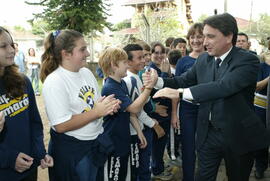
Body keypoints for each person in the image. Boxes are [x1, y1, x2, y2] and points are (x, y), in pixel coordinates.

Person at [143, 13, 270, 181]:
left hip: (238, 136)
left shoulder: (247, 60)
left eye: (210, 36)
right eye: (204, 36)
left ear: (228, 36)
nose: (204, 42)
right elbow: (184, 80)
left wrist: (180, 93)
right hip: (207, 134)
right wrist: (158, 81)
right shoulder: (204, 59)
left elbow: (224, 87)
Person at [41, 29, 120, 181]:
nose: (88, 53)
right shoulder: (55, 81)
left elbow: (95, 104)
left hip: (94, 144)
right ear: (66, 54)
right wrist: (97, 112)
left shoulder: (86, 73)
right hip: (73, 151)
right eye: (82, 49)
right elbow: (61, 125)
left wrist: (108, 106)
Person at [0, 26, 53, 181]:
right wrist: (8, 158)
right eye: (3, 46)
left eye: (11, 44)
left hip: (28, 168)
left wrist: (39, 152)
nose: (11, 50)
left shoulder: (23, 81)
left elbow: (34, 121)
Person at [99, 47, 155, 181]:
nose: (127, 65)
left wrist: (139, 132)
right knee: (116, 175)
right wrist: (148, 88)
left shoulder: (122, 83)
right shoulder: (110, 87)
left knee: (129, 173)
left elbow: (129, 112)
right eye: (124, 62)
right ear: (114, 64)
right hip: (114, 140)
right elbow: (134, 108)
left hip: (124, 138)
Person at [122, 44, 165, 181]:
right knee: (139, 170)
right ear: (128, 62)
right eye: (139, 57)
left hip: (141, 128)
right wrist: (153, 124)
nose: (144, 60)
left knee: (144, 166)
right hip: (135, 132)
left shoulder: (137, 76)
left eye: (145, 56)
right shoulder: (130, 80)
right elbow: (135, 110)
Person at [174, 22, 205, 181]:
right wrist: (174, 114)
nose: (196, 40)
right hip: (187, 109)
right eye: (192, 37)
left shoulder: (212, 58)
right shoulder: (182, 62)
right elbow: (175, 89)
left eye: (199, 36)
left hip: (207, 108)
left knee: (206, 148)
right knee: (188, 148)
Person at [253, 52, 270, 179]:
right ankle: (260, 166)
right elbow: (257, 87)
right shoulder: (262, 67)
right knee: (261, 138)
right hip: (261, 108)